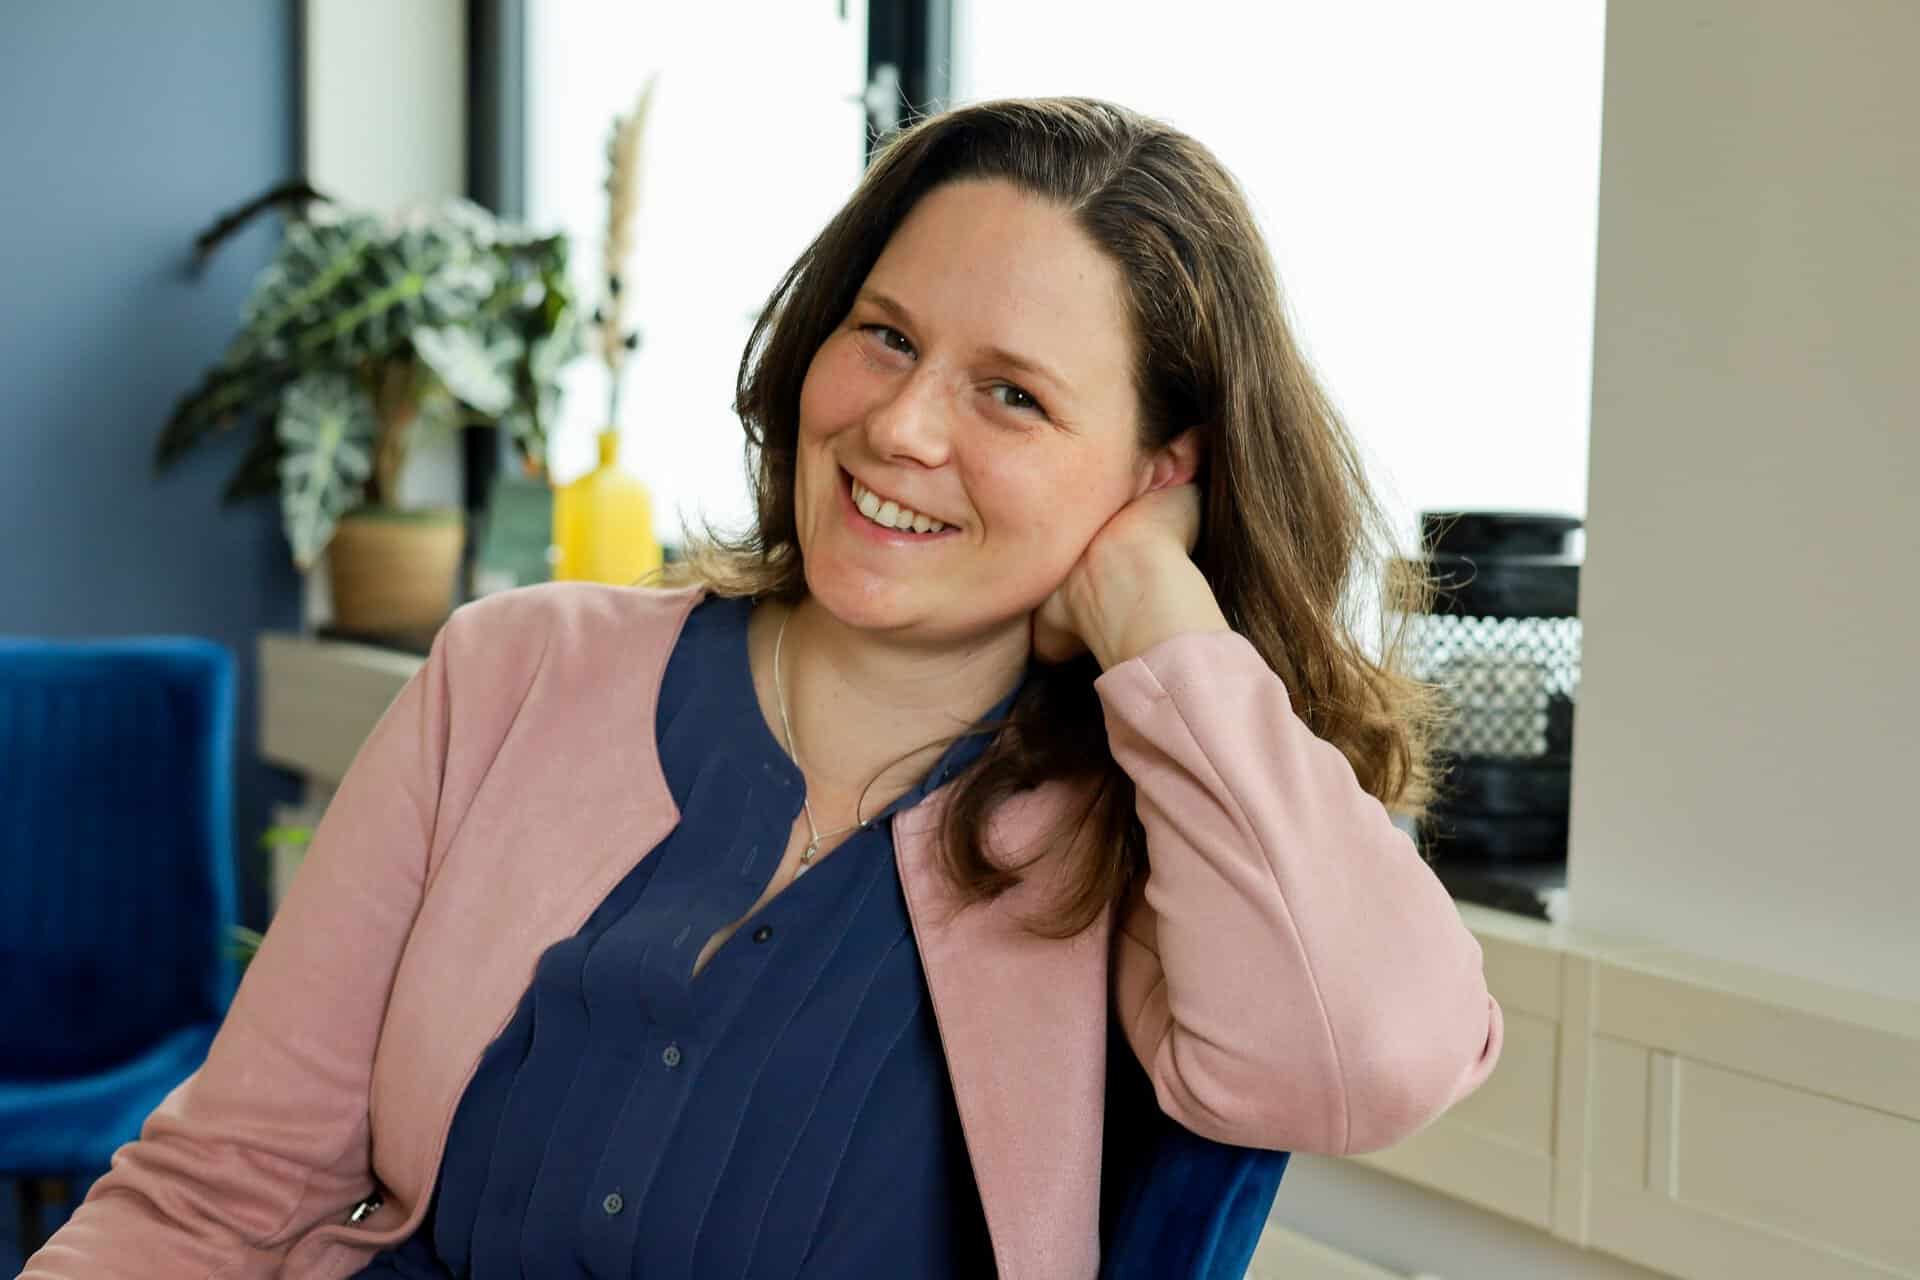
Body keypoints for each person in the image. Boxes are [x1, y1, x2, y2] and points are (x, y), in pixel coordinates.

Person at [25, 96, 1502, 1280]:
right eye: (887, 336)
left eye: (1013, 394)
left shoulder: (1148, 834)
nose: (901, 425)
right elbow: (224, 1188)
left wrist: (1163, 623)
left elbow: (1365, 1058)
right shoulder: (512, 672)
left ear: (1160, 472)